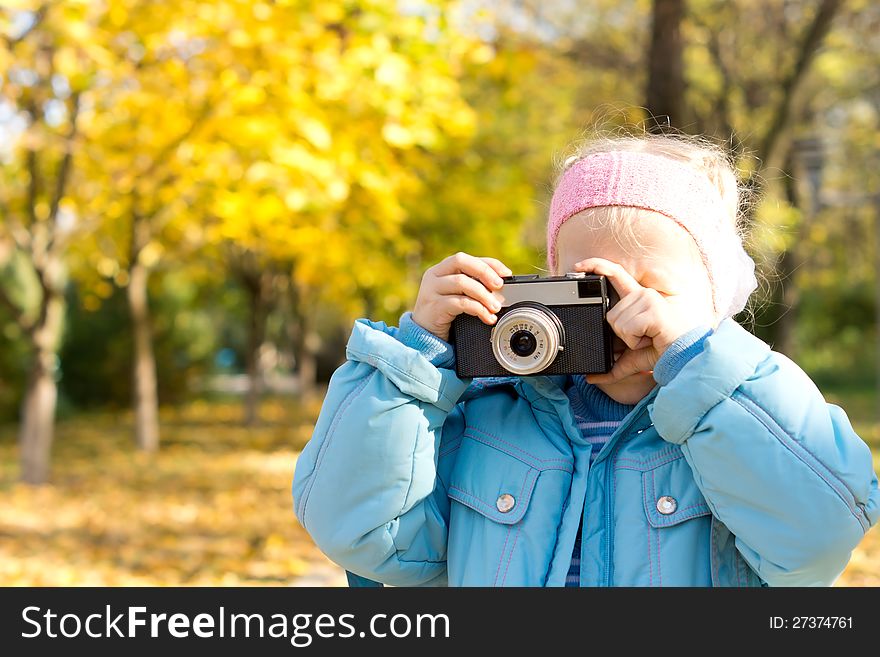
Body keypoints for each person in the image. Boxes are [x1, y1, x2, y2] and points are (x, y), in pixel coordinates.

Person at [292, 133, 880, 586]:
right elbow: (365, 537)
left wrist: (700, 367)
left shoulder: (749, 416)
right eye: (587, 288)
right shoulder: (489, 414)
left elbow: (816, 539)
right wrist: (413, 363)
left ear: (715, 305)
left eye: (649, 290)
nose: (619, 314)